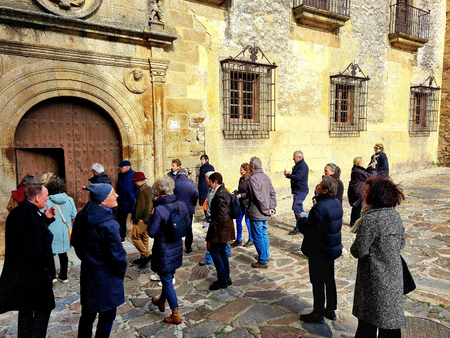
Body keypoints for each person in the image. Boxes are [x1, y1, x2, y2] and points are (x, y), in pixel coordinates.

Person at [351, 176, 406, 337]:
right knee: (389, 323)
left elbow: (358, 251)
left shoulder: (370, 219)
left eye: (367, 191)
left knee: (367, 324)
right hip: (393, 275)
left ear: (376, 195)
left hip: (373, 279)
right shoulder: (394, 215)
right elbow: (401, 243)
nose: (363, 194)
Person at [0, 184, 56, 338]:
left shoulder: (24, 212)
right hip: (33, 276)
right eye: (46, 195)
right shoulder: (27, 215)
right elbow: (33, 248)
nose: (48, 197)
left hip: (26, 276)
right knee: (40, 312)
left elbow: (33, 234)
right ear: (37, 198)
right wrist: (47, 269)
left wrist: (45, 219)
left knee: (26, 310)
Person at [72, 184, 127, 338]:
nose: (116, 195)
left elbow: (76, 242)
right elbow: (119, 258)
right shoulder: (109, 225)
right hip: (107, 278)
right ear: (102, 201)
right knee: (107, 317)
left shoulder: (81, 216)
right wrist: (119, 273)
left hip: (89, 273)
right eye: (113, 193)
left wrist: (88, 259)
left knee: (87, 315)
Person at [297, 176, 343, 323]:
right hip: (330, 248)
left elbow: (309, 229)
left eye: (320, 185)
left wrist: (301, 219)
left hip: (319, 250)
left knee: (317, 282)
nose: (317, 185)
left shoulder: (320, 207)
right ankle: (330, 309)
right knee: (329, 279)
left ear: (324, 190)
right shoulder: (336, 202)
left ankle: (318, 314)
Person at [148, 176, 189, 325]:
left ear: (159, 191)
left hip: (163, 250)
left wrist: (150, 217)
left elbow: (152, 232)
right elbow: (187, 225)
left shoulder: (158, 210)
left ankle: (175, 313)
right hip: (176, 247)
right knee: (168, 278)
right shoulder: (181, 205)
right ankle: (161, 301)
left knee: (166, 280)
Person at [206, 172, 235, 290]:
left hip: (221, 230)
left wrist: (213, 224)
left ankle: (223, 279)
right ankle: (226, 277)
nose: (209, 183)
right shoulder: (222, 191)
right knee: (222, 252)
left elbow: (222, 216)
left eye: (210, 181)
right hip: (224, 229)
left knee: (214, 251)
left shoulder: (221, 194)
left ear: (215, 182)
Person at [45, 177, 77, 283]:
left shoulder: (46, 201)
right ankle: (63, 276)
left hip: (50, 231)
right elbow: (74, 214)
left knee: (50, 254)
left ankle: (53, 276)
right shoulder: (69, 200)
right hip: (65, 232)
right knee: (63, 254)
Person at [247, 157, 276, 269]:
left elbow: (257, 197)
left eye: (250, 166)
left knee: (258, 236)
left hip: (258, 212)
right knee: (263, 234)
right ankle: (265, 254)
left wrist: (266, 209)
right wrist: (271, 208)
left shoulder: (253, 179)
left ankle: (263, 260)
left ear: (252, 167)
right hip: (265, 212)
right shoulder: (266, 177)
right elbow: (272, 193)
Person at [173, 171, 199, 253]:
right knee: (188, 227)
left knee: (176, 227)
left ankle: (177, 247)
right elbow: (196, 194)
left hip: (177, 208)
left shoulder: (174, 182)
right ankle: (188, 247)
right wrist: (193, 204)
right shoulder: (191, 182)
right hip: (188, 209)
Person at [131, 172, 153, 268]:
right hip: (148, 218)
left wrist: (137, 218)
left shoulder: (142, 190)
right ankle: (143, 257)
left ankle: (147, 255)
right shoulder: (149, 188)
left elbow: (140, 206)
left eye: (135, 181)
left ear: (139, 181)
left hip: (143, 218)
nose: (135, 183)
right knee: (144, 237)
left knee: (134, 237)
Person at [284, 151, 309, 235]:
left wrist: (288, 175)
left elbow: (298, 177)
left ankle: (300, 225)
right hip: (298, 190)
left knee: (296, 207)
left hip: (301, 190)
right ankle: (304, 222)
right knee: (299, 207)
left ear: (299, 157)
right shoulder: (299, 165)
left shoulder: (302, 166)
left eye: (294, 157)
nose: (293, 158)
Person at [348, 157, 377, 227]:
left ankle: (353, 222)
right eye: (362, 161)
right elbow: (371, 177)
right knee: (359, 208)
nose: (364, 162)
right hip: (359, 191)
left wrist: (370, 167)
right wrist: (373, 169)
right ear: (359, 163)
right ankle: (357, 224)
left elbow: (365, 173)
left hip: (356, 190)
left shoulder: (357, 170)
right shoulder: (358, 171)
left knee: (356, 207)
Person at [231, 163, 253, 248]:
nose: (240, 171)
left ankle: (251, 239)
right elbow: (240, 189)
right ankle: (239, 239)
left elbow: (250, 193)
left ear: (246, 170)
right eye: (240, 170)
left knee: (247, 222)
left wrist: (242, 195)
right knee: (238, 221)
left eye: (242, 170)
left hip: (247, 204)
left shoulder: (250, 180)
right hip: (240, 204)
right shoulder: (241, 179)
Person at [116, 160, 138, 243]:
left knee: (135, 219)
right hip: (122, 201)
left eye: (122, 167)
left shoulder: (134, 175)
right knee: (121, 220)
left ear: (128, 167)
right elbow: (118, 187)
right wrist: (118, 198)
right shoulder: (120, 175)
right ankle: (122, 237)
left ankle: (136, 236)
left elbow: (137, 188)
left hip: (132, 202)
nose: (120, 169)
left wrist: (135, 198)